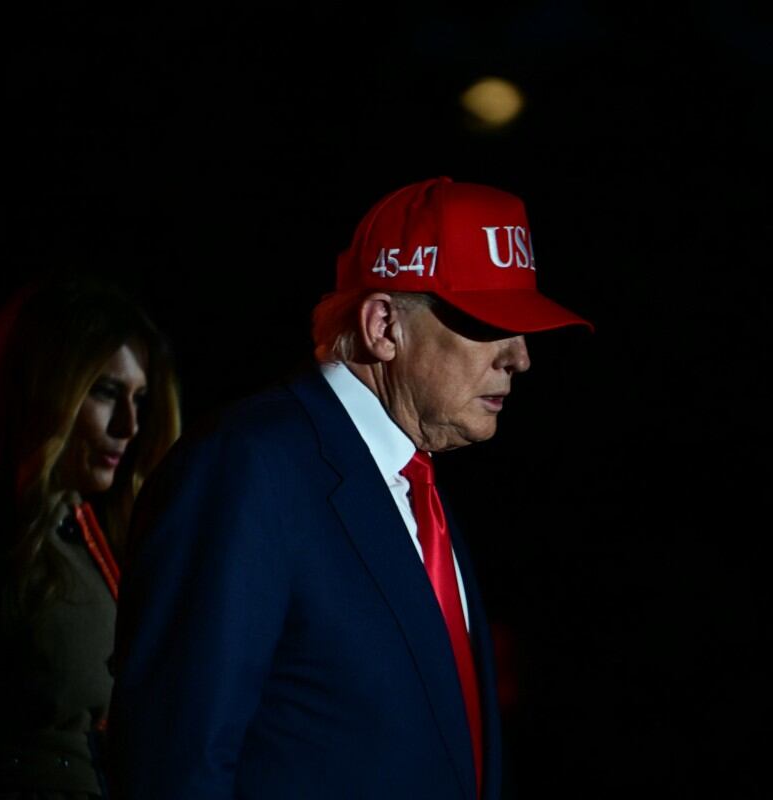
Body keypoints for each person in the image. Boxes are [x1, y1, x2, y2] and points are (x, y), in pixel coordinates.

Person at [108, 176, 592, 799]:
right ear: (383, 325)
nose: (520, 357)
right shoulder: (246, 469)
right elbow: (174, 764)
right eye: (489, 321)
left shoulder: (419, 493)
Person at [0, 275, 181, 799]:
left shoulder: (91, 533)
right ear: (45, 386)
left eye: (139, 399)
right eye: (106, 392)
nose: (130, 425)